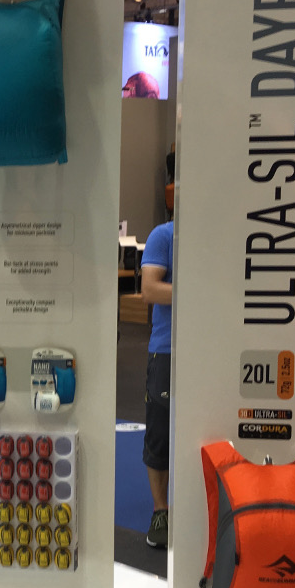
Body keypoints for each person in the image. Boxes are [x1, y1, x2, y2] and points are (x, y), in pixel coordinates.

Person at [141, 217, 174, 548]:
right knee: (160, 435)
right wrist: (201, 291)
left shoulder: (217, 236)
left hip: (211, 348)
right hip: (167, 349)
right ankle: (160, 511)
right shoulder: (164, 235)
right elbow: (149, 289)